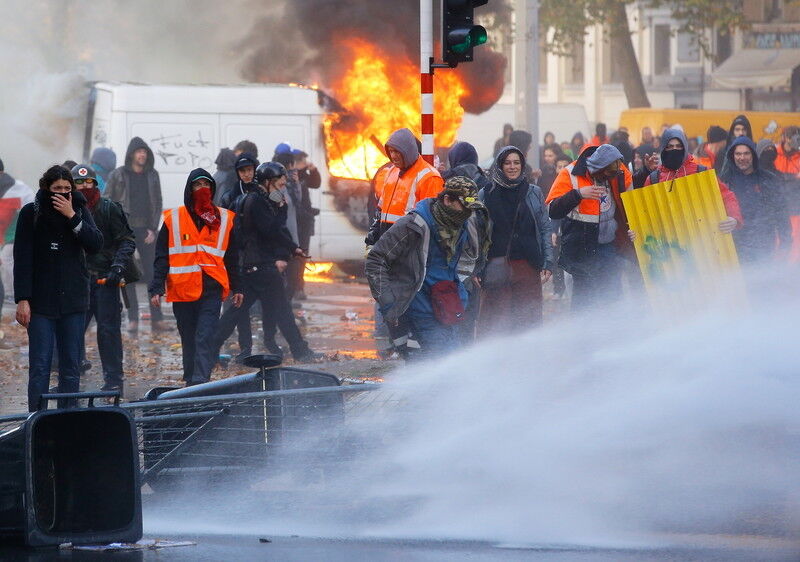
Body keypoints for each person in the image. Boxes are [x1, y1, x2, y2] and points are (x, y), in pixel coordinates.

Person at [366, 177, 486, 359]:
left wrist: (461, 295)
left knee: (448, 363)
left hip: (449, 308)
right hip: (419, 309)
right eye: (464, 206)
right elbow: (376, 259)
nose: (468, 213)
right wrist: (388, 302)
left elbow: (464, 263)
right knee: (438, 362)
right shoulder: (413, 225)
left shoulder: (463, 224)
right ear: (447, 200)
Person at [14, 165, 103, 411]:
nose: (62, 193)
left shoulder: (80, 209)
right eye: (57, 189)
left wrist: (72, 216)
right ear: (46, 188)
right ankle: (37, 420)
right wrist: (23, 299)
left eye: (66, 188)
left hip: (73, 301)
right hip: (41, 302)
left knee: (71, 366)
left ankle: (68, 419)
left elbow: (95, 243)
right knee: (41, 366)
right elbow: (22, 259)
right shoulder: (31, 213)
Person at [213, 162, 320, 362]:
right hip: (260, 265)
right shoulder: (257, 202)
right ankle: (300, 351)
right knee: (281, 310)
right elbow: (271, 230)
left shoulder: (258, 199)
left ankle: (209, 349)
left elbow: (273, 229)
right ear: (268, 182)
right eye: (279, 184)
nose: (282, 188)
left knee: (237, 312)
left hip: (254, 266)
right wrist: (292, 245)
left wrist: (292, 245)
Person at [149, 169, 242, 386]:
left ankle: (200, 381)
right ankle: (190, 380)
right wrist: (156, 287)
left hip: (211, 289)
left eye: (206, 185)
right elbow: (162, 256)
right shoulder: (173, 219)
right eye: (197, 185)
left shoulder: (224, 219)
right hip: (183, 291)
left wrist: (238, 287)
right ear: (189, 189)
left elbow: (232, 256)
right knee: (189, 338)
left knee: (205, 335)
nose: (202, 189)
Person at [71, 164, 136, 395]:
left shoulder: (109, 209)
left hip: (104, 282)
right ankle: (71, 379)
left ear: (95, 184)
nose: (85, 187)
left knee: (108, 332)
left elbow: (127, 240)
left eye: (89, 182)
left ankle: (114, 381)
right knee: (71, 332)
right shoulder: (66, 211)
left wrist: (118, 267)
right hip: (77, 282)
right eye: (79, 183)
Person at [546, 144, 634, 311]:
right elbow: (553, 210)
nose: (609, 179)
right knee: (584, 300)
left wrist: (631, 227)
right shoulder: (569, 173)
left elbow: (632, 201)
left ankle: (616, 332)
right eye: (606, 174)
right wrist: (578, 194)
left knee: (613, 297)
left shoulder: (619, 171)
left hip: (609, 247)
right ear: (598, 168)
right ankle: (583, 334)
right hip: (581, 248)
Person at [478, 146, 553, 334]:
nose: (512, 167)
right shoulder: (485, 194)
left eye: (516, 162)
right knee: (495, 322)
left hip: (527, 265)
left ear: (522, 165)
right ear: (500, 165)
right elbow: (477, 234)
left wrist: (548, 262)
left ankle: (528, 358)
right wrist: (476, 267)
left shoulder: (533, 192)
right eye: (507, 163)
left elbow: (544, 228)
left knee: (528, 319)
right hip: (495, 267)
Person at [106, 137, 164, 333]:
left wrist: (154, 229)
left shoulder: (152, 175)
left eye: (145, 152)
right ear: (132, 154)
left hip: (147, 231)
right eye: (139, 152)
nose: (142, 155)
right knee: (129, 276)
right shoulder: (118, 175)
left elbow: (158, 202)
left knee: (152, 274)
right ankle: (132, 319)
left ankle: (157, 318)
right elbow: (107, 201)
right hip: (126, 231)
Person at [639, 129, 743, 232]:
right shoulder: (654, 179)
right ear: (663, 148)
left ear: (685, 147)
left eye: (679, 146)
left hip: (701, 237)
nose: (675, 150)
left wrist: (734, 217)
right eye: (670, 146)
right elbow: (644, 211)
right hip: (668, 240)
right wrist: (636, 232)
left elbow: (726, 195)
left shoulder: (701, 172)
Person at [365, 128, 443, 246]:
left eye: (397, 152)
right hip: (388, 243)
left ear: (408, 151)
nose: (393, 156)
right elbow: (381, 208)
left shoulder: (429, 177)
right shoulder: (392, 171)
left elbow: (433, 221)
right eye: (391, 151)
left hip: (410, 247)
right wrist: (373, 235)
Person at [719, 138, 790, 264]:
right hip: (735, 245)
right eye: (738, 154)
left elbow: (781, 212)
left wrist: (786, 241)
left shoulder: (768, 179)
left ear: (753, 155)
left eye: (746, 153)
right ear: (732, 156)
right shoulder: (725, 181)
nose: (742, 157)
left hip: (764, 244)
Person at [217, 152, 259, 360]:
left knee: (244, 303)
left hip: (257, 255)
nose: (247, 174)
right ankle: (243, 347)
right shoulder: (230, 195)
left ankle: (245, 347)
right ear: (238, 173)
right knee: (238, 302)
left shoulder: (261, 191)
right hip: (237, 254)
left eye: (250, 170)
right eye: (243, 171)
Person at [0, 157, 35, 308]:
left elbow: (31, 207)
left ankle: (11, 292)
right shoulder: (11, 186)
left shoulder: (15, 188)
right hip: (7, 233)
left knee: (7, 258)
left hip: (15, 232)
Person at [292, 148, 322, 300]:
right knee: (296, 256)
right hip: (296, 223)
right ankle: (294, 287)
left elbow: (316, 184)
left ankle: (299, 287)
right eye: (303, 160)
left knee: (302, 255)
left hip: (305, 222)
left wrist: (314, 170)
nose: (306, 163)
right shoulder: (292, 176)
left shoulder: (303, 175)